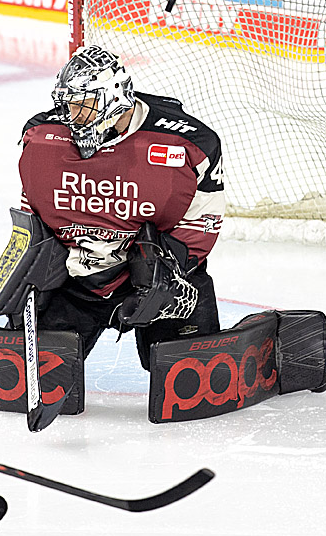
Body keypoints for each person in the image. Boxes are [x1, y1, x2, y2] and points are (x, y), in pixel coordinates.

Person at [15, 45, 226, 370]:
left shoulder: (189, 143)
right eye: (68, 104)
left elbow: (204, 221)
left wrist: (169, 275)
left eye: (82, 105)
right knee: (21, 368)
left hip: (162, 281)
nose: (72, 116)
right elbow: (32, 214)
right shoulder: (42, 137)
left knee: (188, 375)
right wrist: (32, 264)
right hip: (76, 283)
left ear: (113, 99)